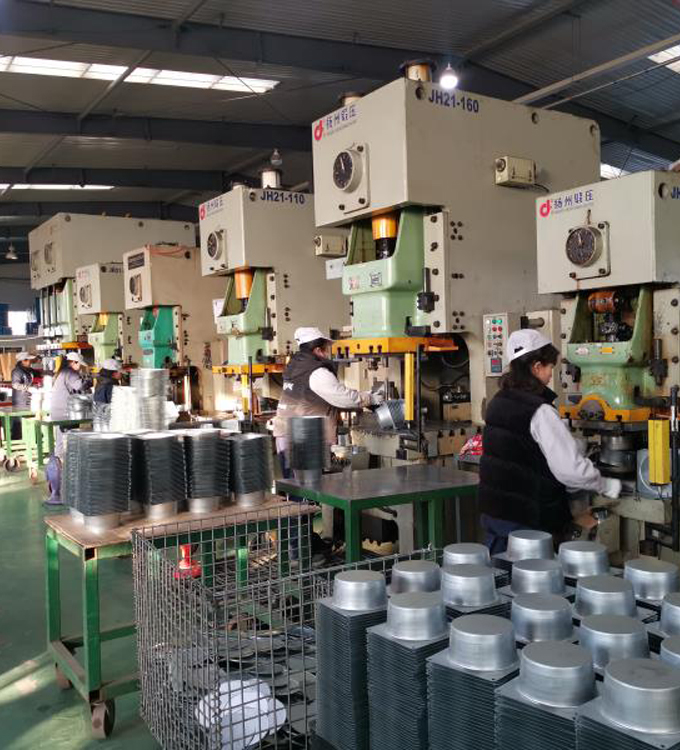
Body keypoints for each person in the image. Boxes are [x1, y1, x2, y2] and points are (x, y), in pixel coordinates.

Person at [479, 329, 622, 554]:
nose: (549, 376)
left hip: (496, 514)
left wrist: (572, 444)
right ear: (536, 367)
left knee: (501, 571)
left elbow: (523, 449)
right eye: (549, 368)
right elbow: (570, 471)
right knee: (533, 575)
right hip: (528, 522)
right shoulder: (540, 411)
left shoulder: (498, 401)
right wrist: (606, 485)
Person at [272, 327, 384, 470]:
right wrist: (371, 399)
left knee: (294, 482)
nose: (328, 353)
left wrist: (362, 397)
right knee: (308, 482)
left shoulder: (296, 366)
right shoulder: (316, 371)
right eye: (326, 349)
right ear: (318, 350)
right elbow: (342, 397)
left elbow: (316, 396)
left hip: (286, 435)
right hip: (305, 439)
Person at [50, 352, 91, 458]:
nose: (80, 367)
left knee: (61, 436)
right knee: (69, 436)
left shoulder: (62, 372)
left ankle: (59, 459)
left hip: (57, 411)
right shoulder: (71, 372)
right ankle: (66, 459)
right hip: (65, 412)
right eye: (79, 364)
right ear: (74, 362)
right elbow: (79, 386)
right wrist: (88, 380)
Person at [10, 351, 39, 439]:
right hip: (20, 401)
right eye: (28, 360)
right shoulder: (17, 371)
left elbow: (40, 373)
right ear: (23, 361)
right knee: (19, 422)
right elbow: (15, 385)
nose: (30, 362)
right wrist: (28, 388)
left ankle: (29, 440)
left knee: (29, 421)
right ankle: (15, 440)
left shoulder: (28, 370)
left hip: (29, 400)